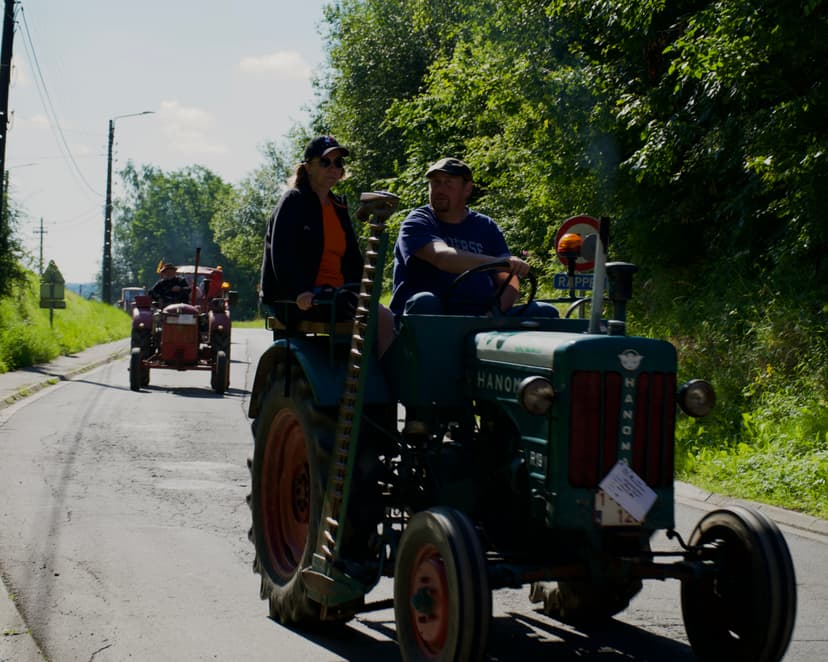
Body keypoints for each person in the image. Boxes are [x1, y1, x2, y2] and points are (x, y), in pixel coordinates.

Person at [259, 135, 395, 355]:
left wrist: (365, 290)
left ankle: (379, 376)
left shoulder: (338, 205)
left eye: (338, 163)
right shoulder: (293, 201)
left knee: (388, 316)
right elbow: (282, 254)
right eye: (325, 162)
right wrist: (299, 292)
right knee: (366, 313)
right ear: (308, 167)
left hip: (335, 295)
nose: (333, 168)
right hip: (302, 299)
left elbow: (352, 259)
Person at [390, 157, 559, 318]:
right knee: (424, 301)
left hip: (479, 317)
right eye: (435, 183)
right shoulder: (418, 221)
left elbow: (508, 281)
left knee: (546, 312)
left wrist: (494, 315)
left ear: (467, 189)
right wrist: (495, 263)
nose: (440, 190)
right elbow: (442, 257)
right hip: (434, 319)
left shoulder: (486, 226)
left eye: (448, 183)